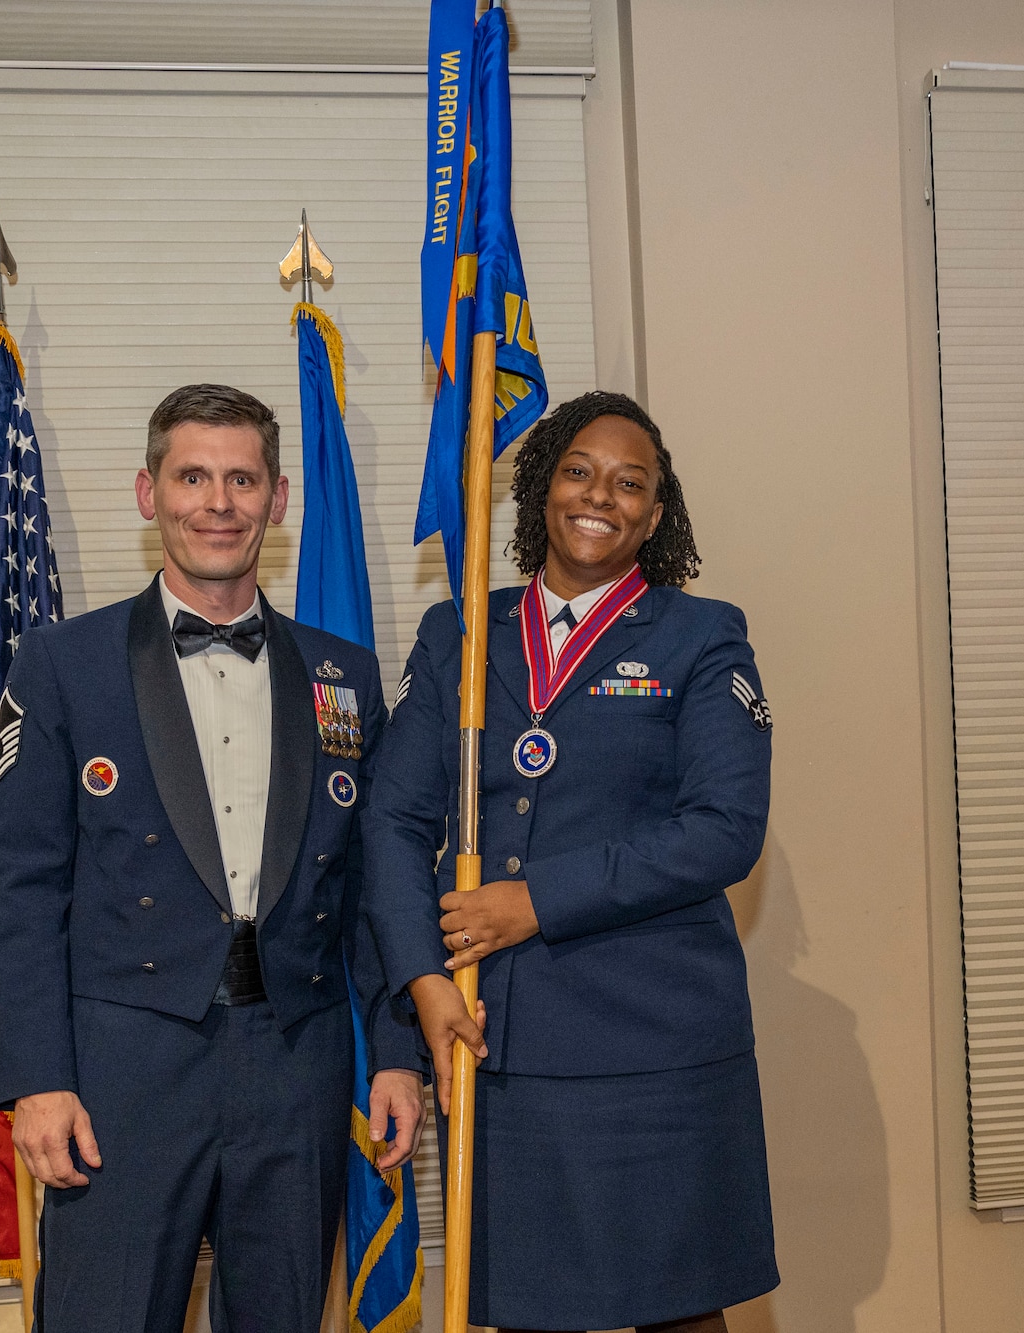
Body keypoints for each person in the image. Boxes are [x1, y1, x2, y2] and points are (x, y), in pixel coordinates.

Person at [0, 383, 428, 1333]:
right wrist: (37, 1079)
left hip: (293, 1064)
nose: (217, 502)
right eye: (192, 476)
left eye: (241, 478)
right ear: (149, 493)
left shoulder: (343, 674)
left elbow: (370, 887)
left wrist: (395, 1053)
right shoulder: (63, 665)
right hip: (122, 1069)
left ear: (279, 496)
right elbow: (19, 890)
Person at [363, 390, 778, 1333]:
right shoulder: (461, 631)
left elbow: (724, 828)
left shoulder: (702, 636)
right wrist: (422, 982)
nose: (603, 496)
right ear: (542, 486)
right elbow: (391, 823)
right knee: (519, 1311)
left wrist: (535, 900)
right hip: (502, 1043)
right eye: (580, 470)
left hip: (656, 1048)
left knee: (680, 1314)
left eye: (632, 483)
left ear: (657, 513)